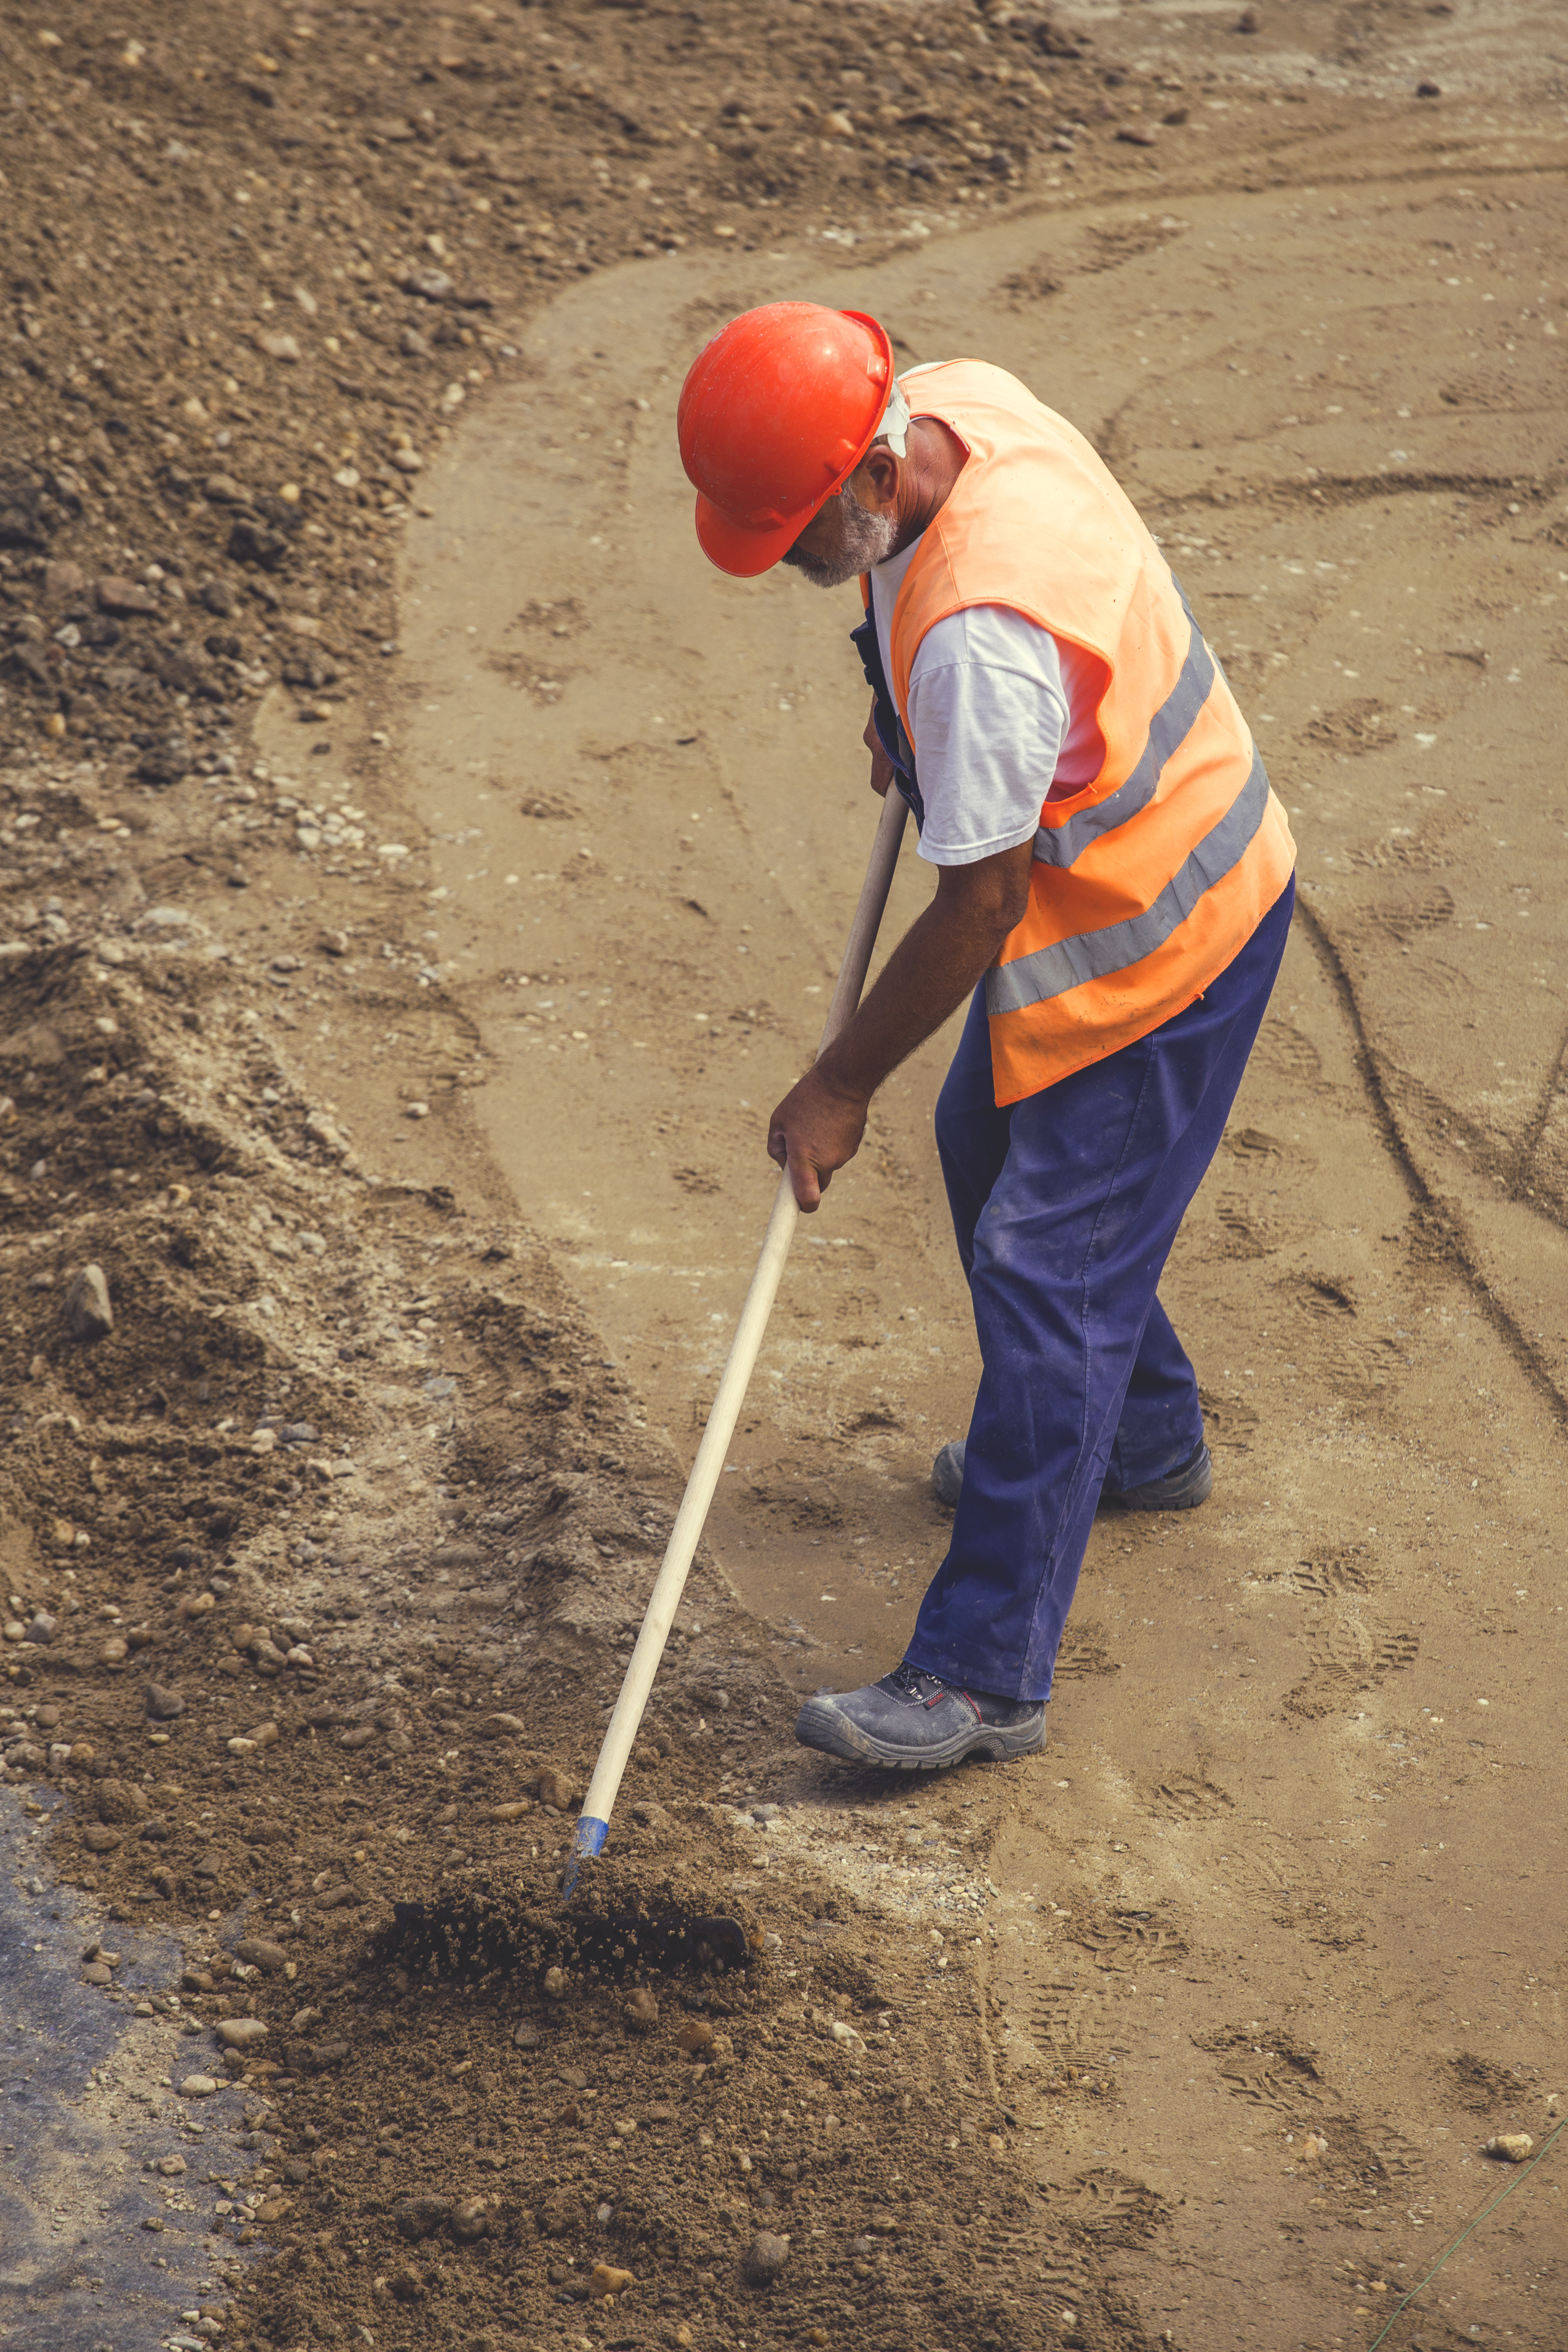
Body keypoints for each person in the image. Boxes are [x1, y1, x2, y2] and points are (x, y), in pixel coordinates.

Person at [676, 302, 1296, 1772]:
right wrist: (901, 707)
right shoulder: (949, 402)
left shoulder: (982, 648)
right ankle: (1141, 1443)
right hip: (1142, 869)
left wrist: (838, 1083)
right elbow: (936, 651)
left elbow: (978, 909)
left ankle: (981, 1676)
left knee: (1045, 1272)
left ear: (872, 481)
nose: (788, 565)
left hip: (1165, 943)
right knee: (984, 1145)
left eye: (802, 534)